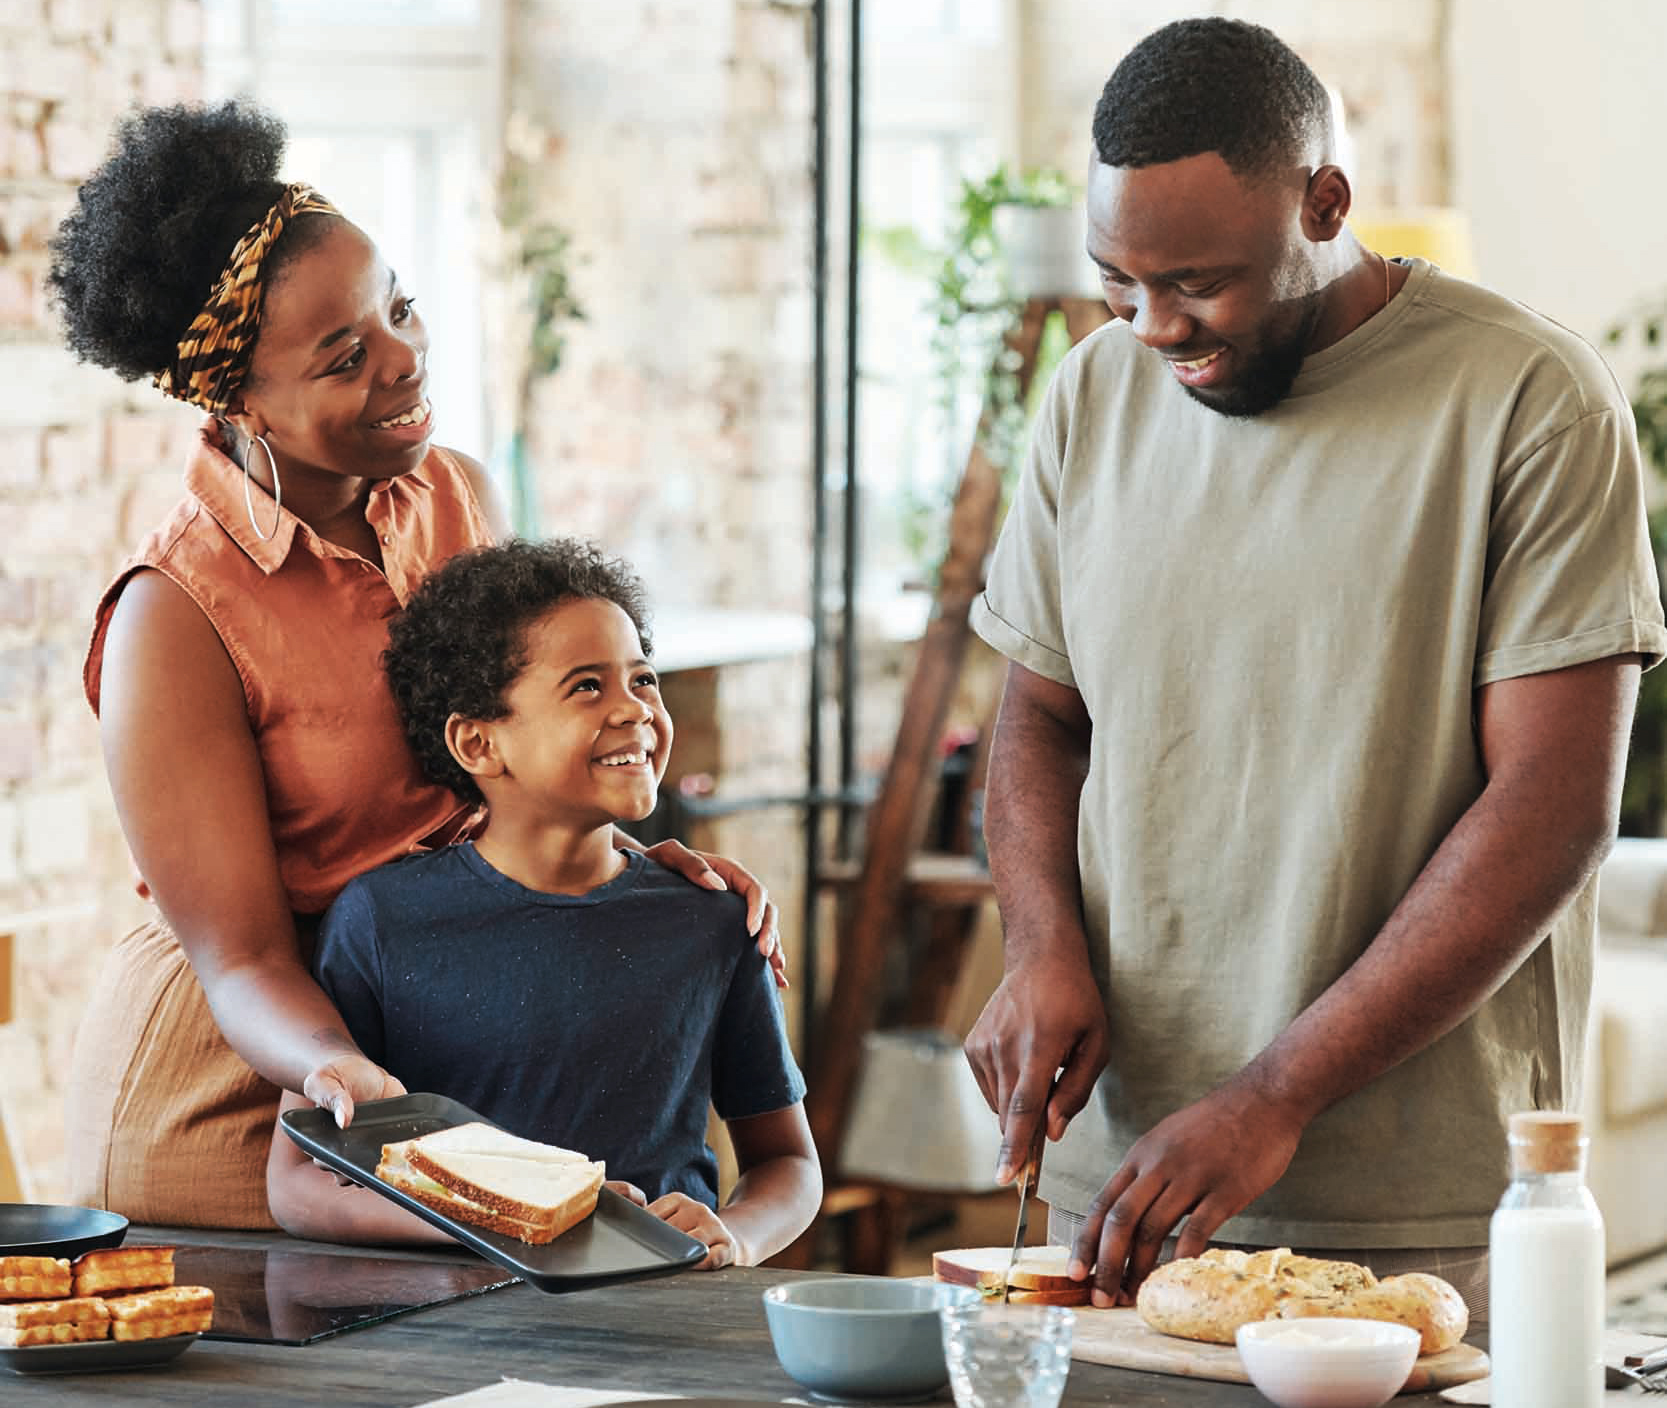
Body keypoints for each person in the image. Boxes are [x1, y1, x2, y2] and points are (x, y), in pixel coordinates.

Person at [961, 17, 1666, 1319]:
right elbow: (1039, 719)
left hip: (1410, 1201)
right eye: (1116, 282)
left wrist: (1272, 1092)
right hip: (1121, 1179)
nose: (1153, 328)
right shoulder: (1089, 392)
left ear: (1324, 204)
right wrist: (1038, 942)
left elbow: (1551, 808)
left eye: (1196, 282)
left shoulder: (1530, 398)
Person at [49, 100, 784, 1229]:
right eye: (347, 358)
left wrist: (622, 861)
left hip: (435, 1031)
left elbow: (507, 747)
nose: (405, 359)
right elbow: (240, 959)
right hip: (244, 1091)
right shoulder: (175, 615)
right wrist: (343, 1072)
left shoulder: (456, 496)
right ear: (240, 400)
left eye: (397, 307)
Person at [266, 539, 819, 1268]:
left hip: (655, 1302)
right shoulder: (382, 921)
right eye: (587, 686)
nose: (636, 708)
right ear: (477, 743)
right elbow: (297, 1183)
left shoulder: (711, 918)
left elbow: (789, 1162)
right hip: (453, 1311)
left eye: (643, 679)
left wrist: (736, 1234)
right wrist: (494, 1221)